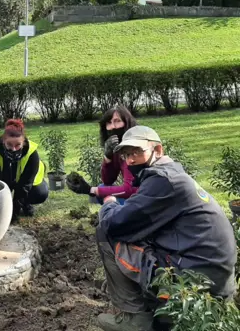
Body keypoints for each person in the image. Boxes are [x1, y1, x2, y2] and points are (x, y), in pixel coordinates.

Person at [95, 126, 237, 331]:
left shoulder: (163, 181)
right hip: (216, 281)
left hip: (196, 284)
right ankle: (155, 306)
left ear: (158, 150)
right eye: (126, 155)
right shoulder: (173, 176)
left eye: (136, 152)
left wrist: (108, 203)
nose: (131, 160)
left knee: (105, 232)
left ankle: (135, 319)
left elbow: (115, 224)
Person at [68, 106, 138, 205]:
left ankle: (118, 217)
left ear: (127, 123)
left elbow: (129, 189)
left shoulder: (134, 148)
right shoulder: (118, 147)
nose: (113, 126)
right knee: (102, 188)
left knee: (102, 192)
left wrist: (91, 190)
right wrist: (108, 156)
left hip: (145, 199)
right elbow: (108, 180)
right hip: (135, 196)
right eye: (109, 123)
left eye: (117, 121)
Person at [0, 119, 48, 221]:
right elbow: (1, 182)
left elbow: (25, 185)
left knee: (40, 193)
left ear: (23, 142)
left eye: (18, 145)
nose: (14, 149)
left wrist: (15, 211)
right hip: (3, 180)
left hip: (25, 183)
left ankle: (26, 203)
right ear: (3, 141)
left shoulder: (32, 153)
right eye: (9, 145)